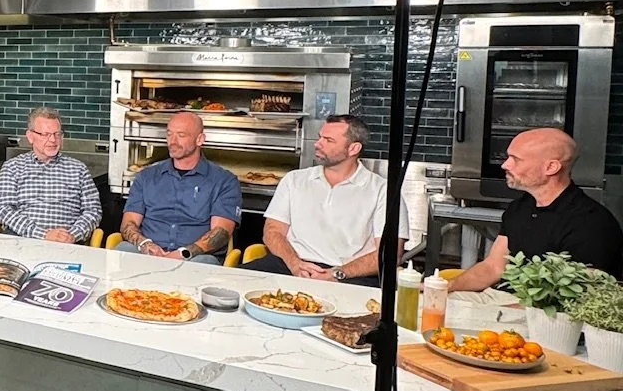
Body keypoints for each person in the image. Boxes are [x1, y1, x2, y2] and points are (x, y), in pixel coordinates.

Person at [448, 128, 623, 290]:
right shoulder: (520, 208)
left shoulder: (590, 224)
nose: (505, 165)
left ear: (551, 167)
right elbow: (493, 266)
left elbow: (574, 297)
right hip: (506, 300)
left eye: (515, 159)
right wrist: (446, 287)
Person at [250, 113, 407, 280]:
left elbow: (389, 254)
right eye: (320, 137)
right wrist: (294, 263)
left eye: (329, 140)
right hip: (290, 265)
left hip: (350, 275)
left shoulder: (383, 191)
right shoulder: (294, 180)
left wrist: (337, 273)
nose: (318, 144)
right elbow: (272, 231)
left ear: (354, 148)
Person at [120, 113, 241, 263]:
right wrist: (145, 244)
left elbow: (221, 233)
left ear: (200, 139)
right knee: (123, 250)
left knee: (204, 262)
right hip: (148, 253)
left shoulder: (224, 181)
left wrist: (184, 253)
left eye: (181, 135)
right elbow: (128, 223)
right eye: (169, 134)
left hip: (194, 257)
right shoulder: (146, 176)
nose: (172, 141)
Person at [0, 107, 101, 244]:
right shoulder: (13, 167)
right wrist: (43, 234)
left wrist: (72, 235)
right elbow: (3, 209)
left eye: (57, 134)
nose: (53, 140)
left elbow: (93, 211)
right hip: (22, 241)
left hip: (68, 245)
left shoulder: (78, 169)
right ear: (30, 137)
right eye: (46, 135)